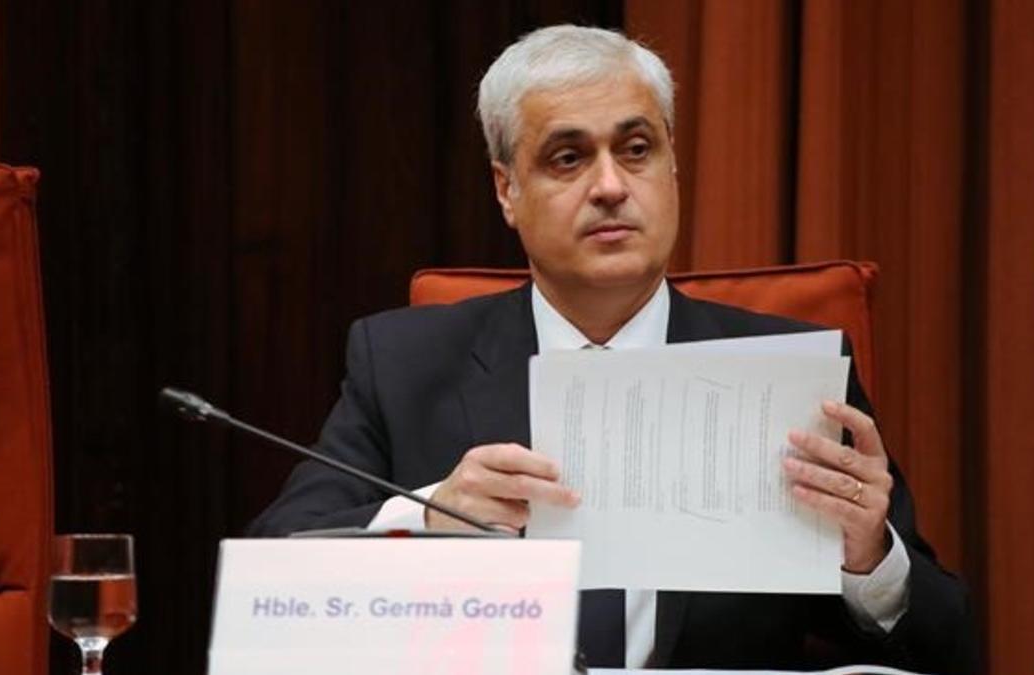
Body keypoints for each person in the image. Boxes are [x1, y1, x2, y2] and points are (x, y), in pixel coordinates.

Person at [249, 25, 973, 672]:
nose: (610, 187)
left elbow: (947, 646)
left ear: (673, 168)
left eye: (637, 149)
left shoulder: (791, 370)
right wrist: (431, 513)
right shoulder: (404, 364)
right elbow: (275, 578)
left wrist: (868, 555)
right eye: (567, 158)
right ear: (507, 191)